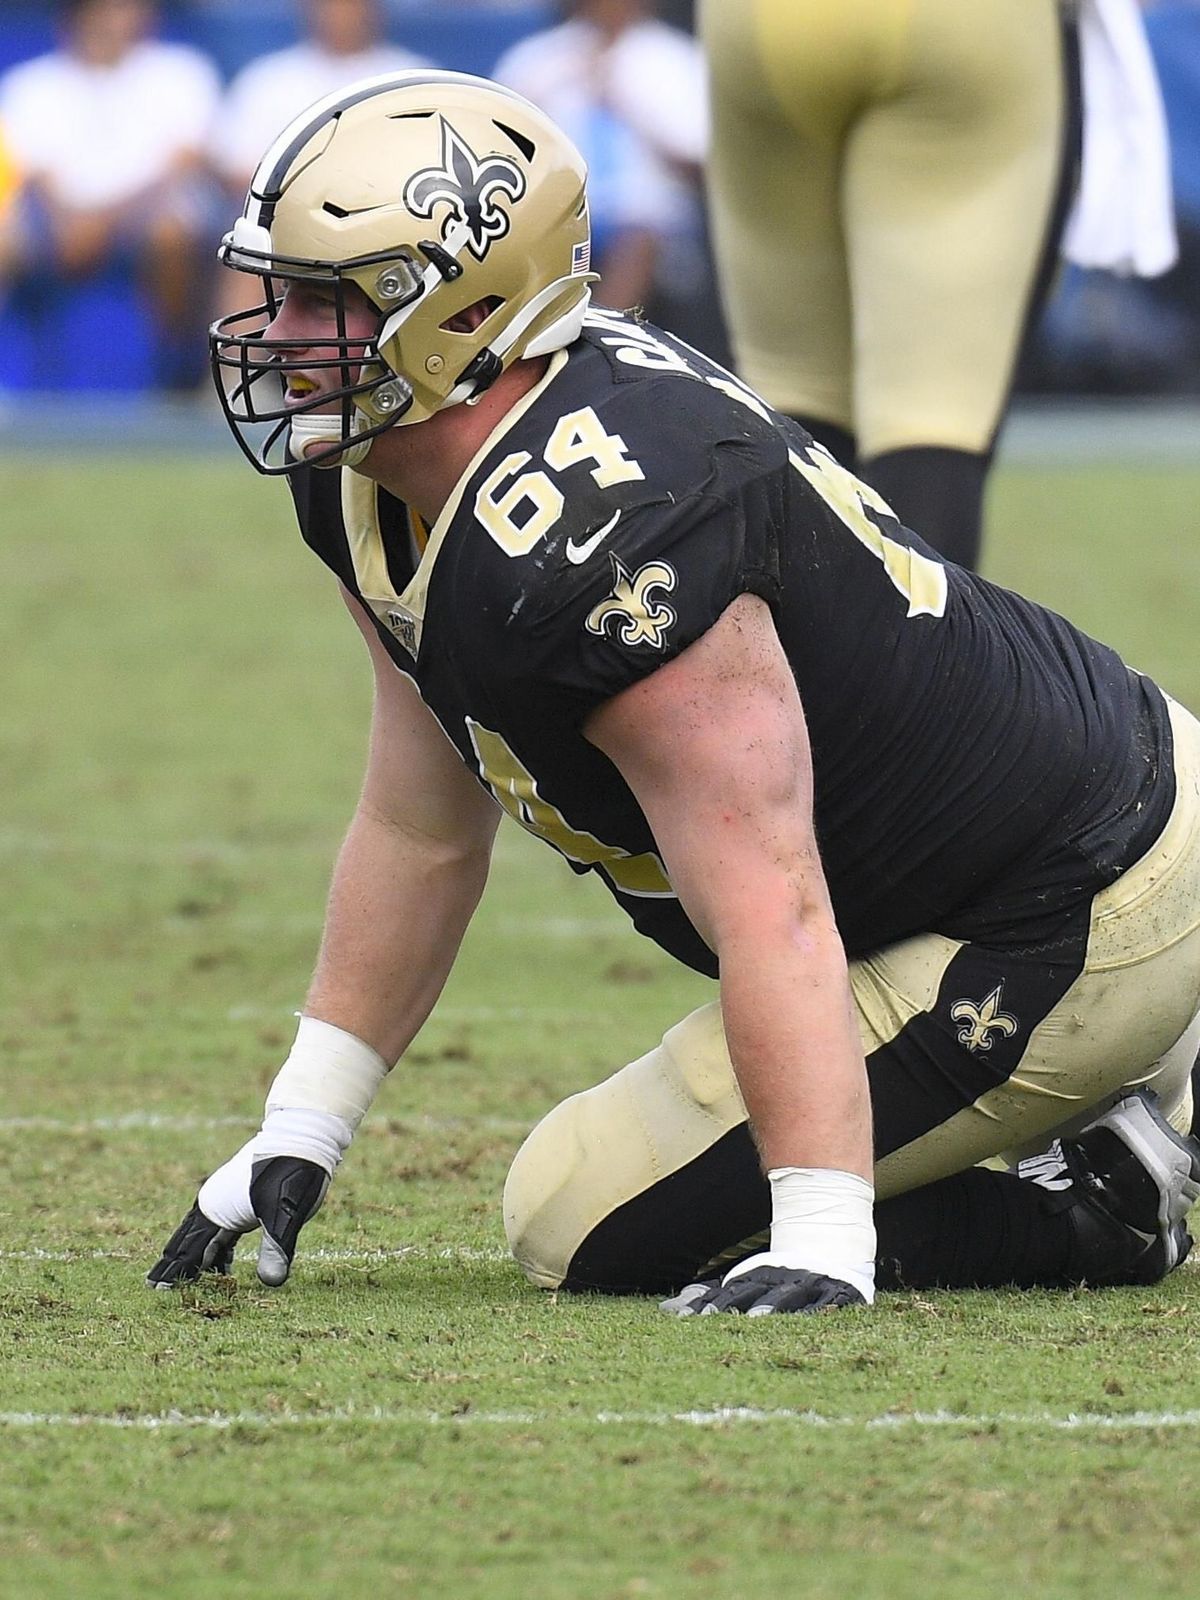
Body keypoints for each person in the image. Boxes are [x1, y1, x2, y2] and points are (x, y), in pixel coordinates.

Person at [149, 72, 1200, 1315]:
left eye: (326, 303)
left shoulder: (605, 533)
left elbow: (773, 903)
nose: (275, 337)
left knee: (573, 1215)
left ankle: (1102, 1200)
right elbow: (420, 820)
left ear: (465, 311)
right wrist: (303, 1121)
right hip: (1009, 850)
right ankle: (1134, 1077)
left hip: (1068, 900)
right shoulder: (376, 461)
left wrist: (819, 1228)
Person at [696, 0, 1084, 573]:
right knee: (931, 413)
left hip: (754, 25)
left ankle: (770, 660)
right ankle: (922, 660)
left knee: (789, 395)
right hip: (962, 27)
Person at [0, 0, 221, 388]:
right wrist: (68, 223)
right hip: (57, 219)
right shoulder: (31, 82)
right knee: (4, 237)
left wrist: (102, 223)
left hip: (149, 213)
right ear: (77, 16)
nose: (118, 18)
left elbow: (181, 163)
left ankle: (179, 371)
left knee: (171, 234)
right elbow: (31, 173)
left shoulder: (179, 70)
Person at [492, 0, 708, 324]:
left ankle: (604, 332)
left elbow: (697, 163)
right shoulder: (539, 56)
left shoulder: (674, 57)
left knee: (638, 239)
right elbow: (494, 143)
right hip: (557, 206)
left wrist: (628, 102)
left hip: (650, 213)